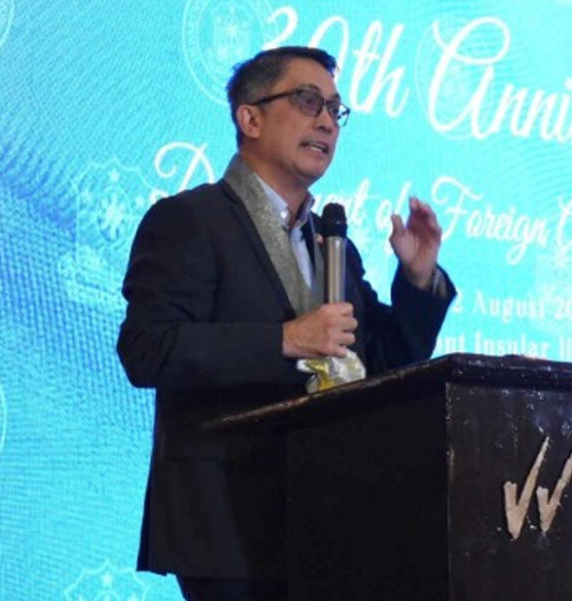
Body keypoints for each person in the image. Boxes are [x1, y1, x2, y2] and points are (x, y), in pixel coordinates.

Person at [116, 46, 455, 601]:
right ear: (250, 118)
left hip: (329, 515)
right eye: (306, 101)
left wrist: (419, 281)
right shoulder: (188, 220)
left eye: (335, 110)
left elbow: (381, 364)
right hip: (226, 520)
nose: (326, 121)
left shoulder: (333, 243)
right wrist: (286, 340)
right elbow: (148, 349)